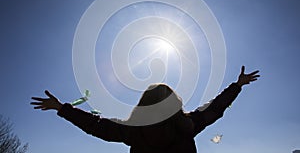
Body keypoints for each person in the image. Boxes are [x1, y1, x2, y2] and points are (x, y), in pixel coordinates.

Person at [31, 66, 259, 153]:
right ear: (174, 103)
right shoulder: (188, 126)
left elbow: (96, 127)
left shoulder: (134, 130)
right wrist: (237, 86)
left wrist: (62, 108)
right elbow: (215, 108)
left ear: (144, 104)